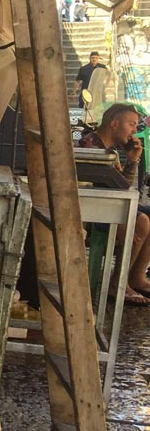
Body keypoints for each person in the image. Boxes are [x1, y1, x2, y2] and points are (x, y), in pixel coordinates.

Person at [78, 103, 150, 305]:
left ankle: (136, 277)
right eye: (131, 124)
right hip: (91, 209)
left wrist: (132, 160)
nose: (134, 130)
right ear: (115, 123)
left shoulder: (111, 150)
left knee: (147, 215)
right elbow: (107, 190)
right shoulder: (90, 146)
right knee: (142, 222)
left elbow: (121, 186)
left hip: (108, 202)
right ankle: (117, 283)